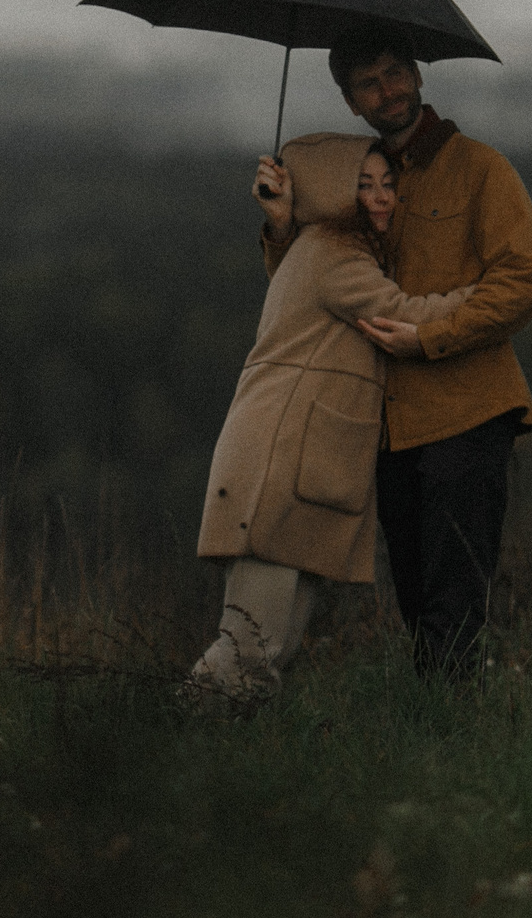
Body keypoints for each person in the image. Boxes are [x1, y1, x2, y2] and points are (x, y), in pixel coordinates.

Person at [255, 21, 532, 681]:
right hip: (387, 426)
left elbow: (525, 281)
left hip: (467, 412)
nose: (386, 90)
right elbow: (318, 290)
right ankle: (441, 728)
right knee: (417, 598)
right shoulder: (361, 182)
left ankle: (451, 737)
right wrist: (280, 230)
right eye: (367, 83)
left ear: (417, 74)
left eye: (393, 73)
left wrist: (432, 336)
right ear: (351, 102)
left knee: (453, 600)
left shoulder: (480, 169)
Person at [189, 134, 474, 703]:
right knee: (249, 653)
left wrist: (280, 226)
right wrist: (485, 296)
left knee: (266, 653)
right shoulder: (334, 254)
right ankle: (175, 745)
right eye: (361, 185)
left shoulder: (319, 248)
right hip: (279, 467)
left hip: (292, 468)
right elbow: (399, 315)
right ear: (329, 191)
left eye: (389, 184)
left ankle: (216, 763)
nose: (381, 198)